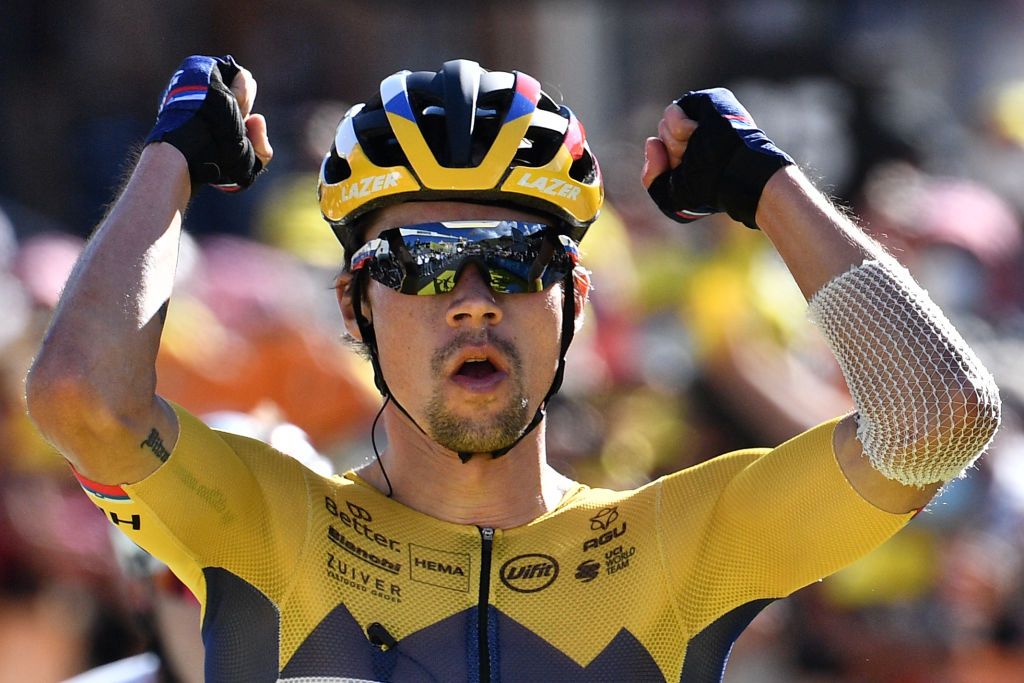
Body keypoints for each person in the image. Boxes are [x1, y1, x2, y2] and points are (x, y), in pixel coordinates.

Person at [26, 55, 1001, 682]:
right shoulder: (266, 519)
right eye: (421, 262)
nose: (475, 296)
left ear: (572, 298)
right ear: (352, 307)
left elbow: (940, 420)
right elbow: (80, 398)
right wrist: (171, 160)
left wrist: (767, 185)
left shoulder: (674, 541)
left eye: (520, 259)